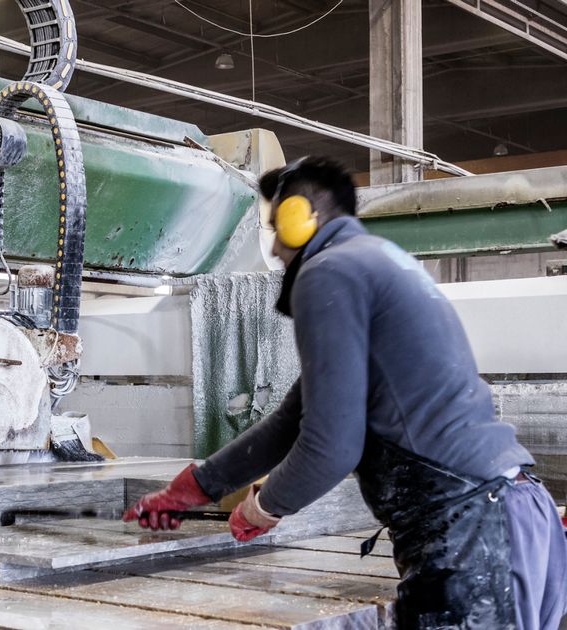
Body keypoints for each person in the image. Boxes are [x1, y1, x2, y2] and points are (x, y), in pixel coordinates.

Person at [124, 156, 567, 629]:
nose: (273, 247)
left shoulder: (329, 271)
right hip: (508, 519)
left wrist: (264, 507)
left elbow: (330, 446)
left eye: (276, 227)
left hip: (473, 533)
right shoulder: (374, 262)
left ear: (302, 216)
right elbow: (292, 420)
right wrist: (193, 488)